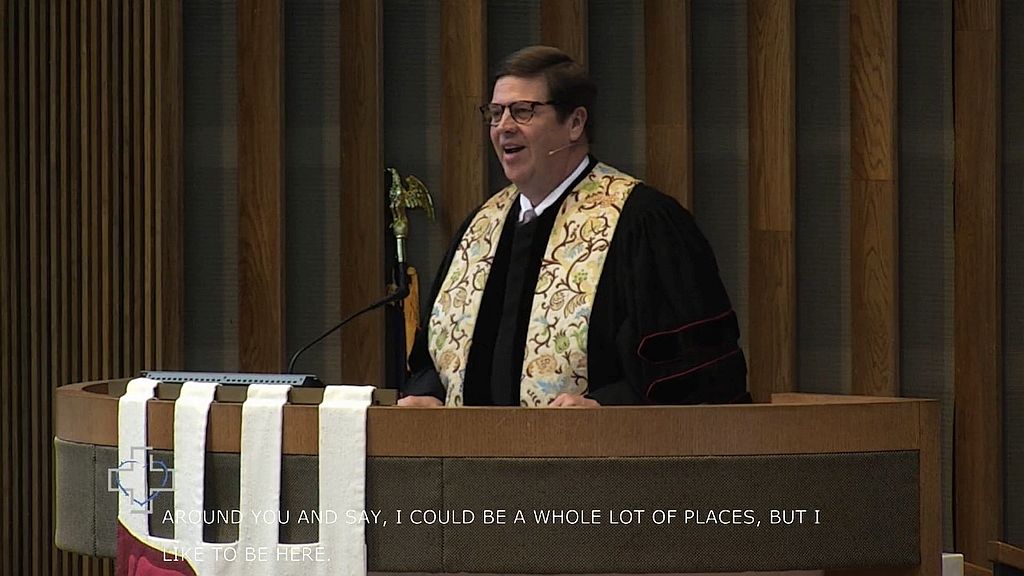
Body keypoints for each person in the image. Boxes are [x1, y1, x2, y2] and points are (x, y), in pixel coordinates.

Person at [399, 45, 746, 407]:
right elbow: (433, 357)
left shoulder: (643, 223)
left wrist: (605, 406)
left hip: (593, 461)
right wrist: (426, 394)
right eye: (495, 113)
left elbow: (696, 374)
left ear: (575, 123)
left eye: (523, 111)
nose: (503, 127)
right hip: (468, 460)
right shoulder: (480, 228)